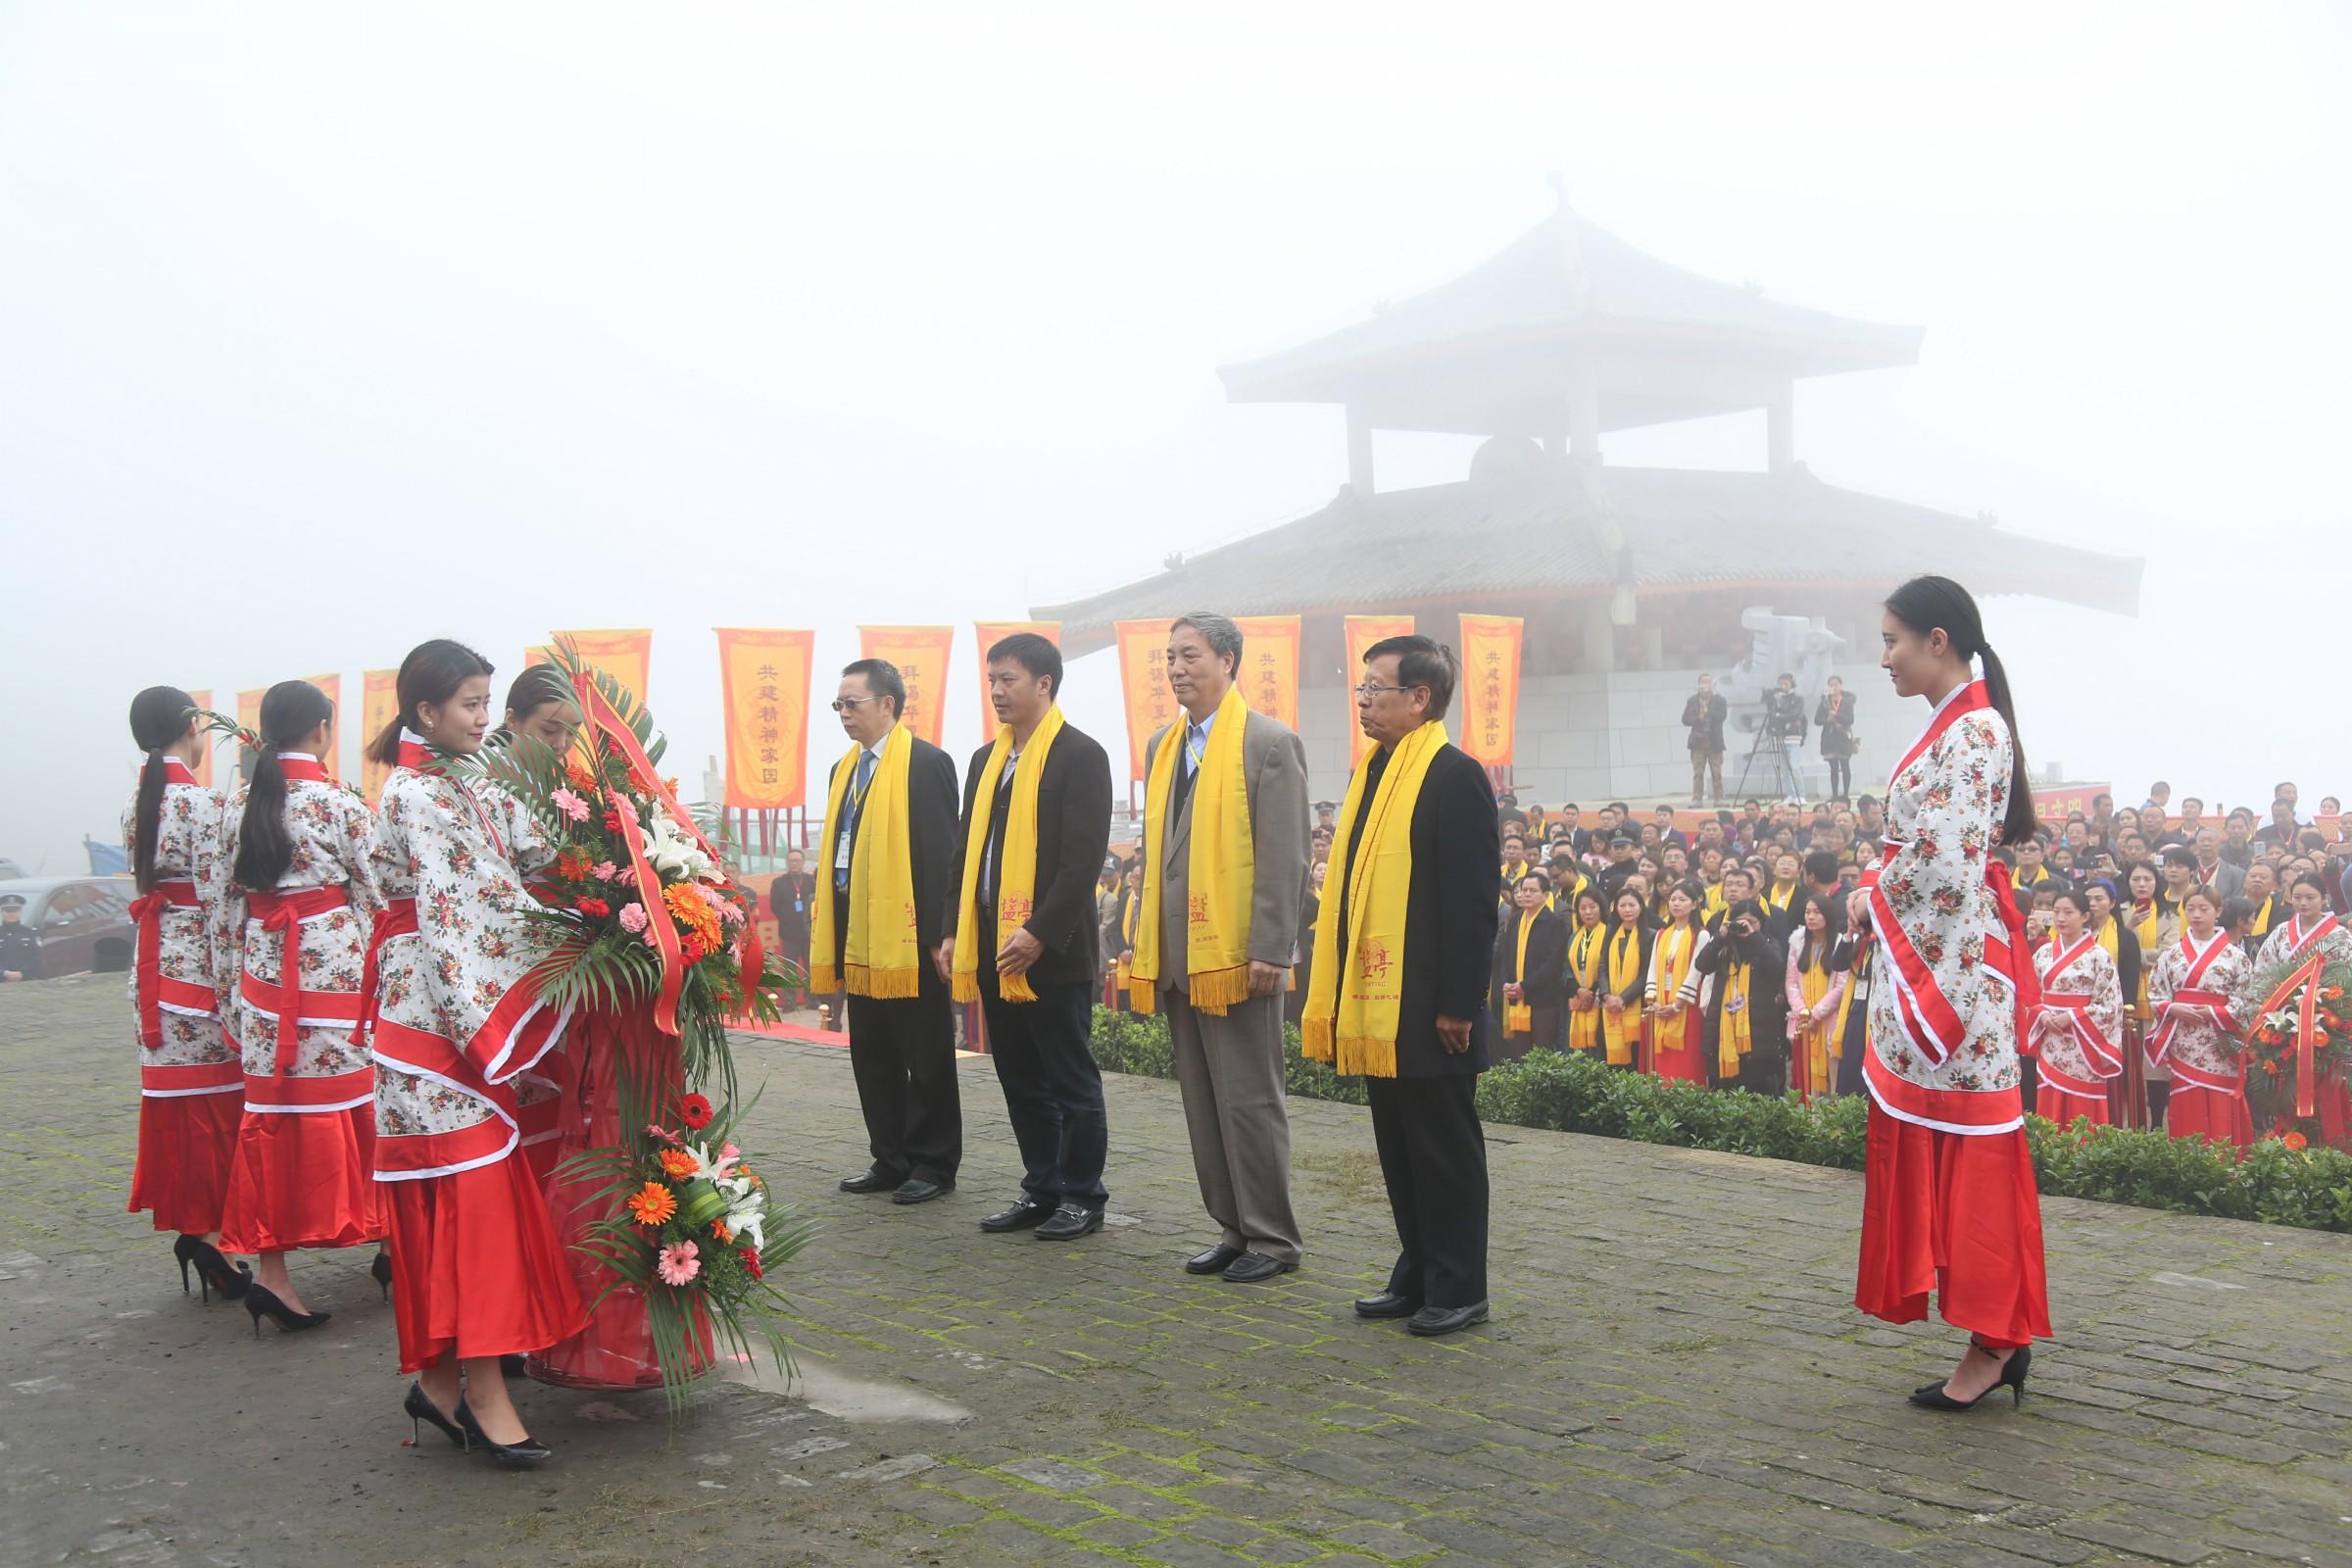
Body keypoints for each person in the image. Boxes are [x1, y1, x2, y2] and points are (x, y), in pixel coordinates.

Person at [365, 640, 583, 1467]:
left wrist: (623, 870)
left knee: (470, 1199)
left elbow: (539, 852)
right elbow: (475, 905)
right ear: (425, 712)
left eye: (487, 703)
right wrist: (561, 944)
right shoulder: (416, 794)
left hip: (464, 1001)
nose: (483, 719)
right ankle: (480, 1390)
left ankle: (445, 1385)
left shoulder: (472, 779)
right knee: (469, 1197)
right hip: (434, 1018)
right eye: (468, 705)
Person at [1849, 575, 2049, 1410]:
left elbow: (1944, 867)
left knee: (1976, 1156)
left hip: (1958, 975)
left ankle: (1998, 1339)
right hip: (1949, 957)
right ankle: (1991, 1334)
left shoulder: (1974, 734)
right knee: (1954, 1149)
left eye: (1894, 639)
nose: (1883, 655)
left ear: (1939, 641)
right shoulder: (1959, 724)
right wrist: (1884, 875)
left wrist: (1872, 891)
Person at [1301, 635, 1496, 1337]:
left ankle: (1460, 1286)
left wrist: (1457, 1002)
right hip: (1376, 1001)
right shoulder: (1373, 774)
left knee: (1443, 1149)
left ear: (1420, 698)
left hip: (1430, 1004)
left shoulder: (1454, 775)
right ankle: (1416, 1271)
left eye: (1375, 690)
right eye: (1360, 690)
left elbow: (1474, 902)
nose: (1363, 702)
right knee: (1400, 1146)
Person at [215, 679, 388, 1335]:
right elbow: (375, 895)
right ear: (321, 731)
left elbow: (220, 914)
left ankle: (274, 1277)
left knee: (270, 1120)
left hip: (263, 985)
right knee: (364, 1108)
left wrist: (235, 1002)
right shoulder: (339, 804)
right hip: (337, 984)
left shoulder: (234, 807)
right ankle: (391, 1246)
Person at [944, 632, 1117, 1244]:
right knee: (1019, 1076)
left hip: (1051, 952)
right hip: (993, 944)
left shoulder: (1080, 755)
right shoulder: (985, 760)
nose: (996, 691)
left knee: (1069, 1078)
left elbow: (1082, 862)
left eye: (1008, 679)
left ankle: (1082, 1194)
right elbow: (966, 852)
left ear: (1044, 683)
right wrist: (951, 931)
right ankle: (1041, 1184)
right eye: (991, 680)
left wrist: (1040, 933)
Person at [811, 659, 962, 1206]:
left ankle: (933, 1162)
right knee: (871, 1050)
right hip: (858, 932)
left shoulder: (926, 764)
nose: (844, 714)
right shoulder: (843, 771)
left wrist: (940, 933)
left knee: (924, 1052)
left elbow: (943, 854)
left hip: (909, 935)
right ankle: (890, 1155)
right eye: (839, 705)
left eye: (853, 703)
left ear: (888, 705)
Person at [122, 685, 247, 1300]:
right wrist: (238, 989)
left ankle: (202, 1231)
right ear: (193, 727)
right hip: (196, 974)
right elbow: (224, 906)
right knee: (217, 1112)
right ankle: (213, 1236)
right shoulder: (202, 804)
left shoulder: (137, 803)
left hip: (152, 973)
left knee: (183, 1111)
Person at [2236, 871, 2352, 1144]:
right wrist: (2266, 1016)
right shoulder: (2280, 934)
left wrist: (2333, 1015)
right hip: (2283, 1022)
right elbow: (2261, 975)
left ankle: (2330, 1145)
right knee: (2284, 1089)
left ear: (2324, 898)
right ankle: (2288, 1142)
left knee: (2326, 1088)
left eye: (2310, 897)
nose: (2303, 903)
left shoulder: (2340, 937)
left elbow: (2346, 980)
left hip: (2326, 1024)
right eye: (2297, 897)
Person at [2146, 885, 2252, 1148]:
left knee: (2220, 1100)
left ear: (2218, 911)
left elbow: (2249, 999)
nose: (2196, 915)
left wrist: (2216, 1012)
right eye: (2190, 908)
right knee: (2186, 1099)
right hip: (2183, 1038)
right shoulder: (2171, 955)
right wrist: (2172, 1009)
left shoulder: (2236, 957)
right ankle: (2187, 1162)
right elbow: (2156, 992)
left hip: (2220, 1041)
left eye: (2204, 909)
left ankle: (2225, 1161)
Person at [2032, 887, 2125, 1128]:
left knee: (2082, 1104)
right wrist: (2041, 1013)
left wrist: (2073, 1016)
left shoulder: (2099, 956)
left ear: (2085, 916)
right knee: (2049, 1095)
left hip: (2084, 1040)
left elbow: (2110, 1003)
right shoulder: (2043, 954)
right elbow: (2030, 993)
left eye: (2068, 912)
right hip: (2050, 1036)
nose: (2061, 918)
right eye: (2056, 912)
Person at [1785, 893, 1852, 1103]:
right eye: (1807, 912)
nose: (1811, 917)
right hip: (1804, 1021)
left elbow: (1842, 986)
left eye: (1817, 912)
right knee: (1805, 1078)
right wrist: (1803, 1012)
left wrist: (1816, 1014)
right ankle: (1810, 1123)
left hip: (1830, 1021)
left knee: (1833, 1078)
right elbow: (1791, 982)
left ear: (1828, 916)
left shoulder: (1841, 944)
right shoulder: (1797, 943)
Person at [1492, 873, 1566, 1063]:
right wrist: (1508, 983)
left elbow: (1552, 964)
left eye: (1532, 891)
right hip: (1517, 997)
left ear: (1546, 895)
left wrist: (1524, 985)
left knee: (1541, 1055)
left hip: (1542, 1000)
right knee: (1520, 1054)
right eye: (1524, 890)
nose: (1526, 894)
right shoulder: (1515, 920)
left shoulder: (1554, 923)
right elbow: (1506, 956)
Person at [1642, 882, 1706, 1083]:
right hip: (1662, 1006)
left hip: (1688, 1007)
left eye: (1682, 899)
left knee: (1687, 1062)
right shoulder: (1662, 934)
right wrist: (1653, 1000)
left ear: (1695, 904)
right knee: (1662, 1064)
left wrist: (1677, 1005)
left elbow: (1696, 972)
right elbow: (1652, 968)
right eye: (1673, 899)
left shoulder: (1701, 934)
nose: (1676, 904)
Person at [1561, 888, 1608, 1058]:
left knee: (1598, 1048)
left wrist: (1592, 992)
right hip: (1578, 997)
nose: (1588, 912)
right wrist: (1578, 991)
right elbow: (1566, 968)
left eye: (1592, 907)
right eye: (1583, 908)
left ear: (1601, 908)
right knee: (1577, 1052)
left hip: (1601, 998)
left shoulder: (1609, 933)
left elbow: (1607, 967)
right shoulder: (1574, 937)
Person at [767, 848, 815, 1008]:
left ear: (803, 862)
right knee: (790, 969)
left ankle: (812, 999)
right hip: (789, 932)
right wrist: (788, 919)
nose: (794, 863)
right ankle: (789, 1001)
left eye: (798, 860)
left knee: (811, 968)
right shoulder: (779, 883)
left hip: (809, 933)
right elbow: (774, 906)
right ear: (788, 863)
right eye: (792, 860)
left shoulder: (811, 881)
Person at [1682, 673, 1729, 806]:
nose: (1705, 685)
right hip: (1697, 742)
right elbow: (1685, 720)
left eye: (1708, 682)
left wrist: (1708, 712)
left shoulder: (1719, 700)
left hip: (1714, 741)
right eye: (1703, 682)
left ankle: (1719, 798)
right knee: (1698, 772)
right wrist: (1699, 718)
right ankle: (1697, 798)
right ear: (1698, 684)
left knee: (1716, 771)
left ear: (1712, 685)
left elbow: (1721, 717)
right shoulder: (1692, 701)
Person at [1764, 672, 1808, 805]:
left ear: (1791, 684)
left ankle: (1801, 795)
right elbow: (1772, 716)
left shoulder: (1798, 699)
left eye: (1786, 683)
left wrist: (1779, 715)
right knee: (1784, 769)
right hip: (1781, 737)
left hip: (1794, 737)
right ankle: (1790, 794)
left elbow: (1795, 715)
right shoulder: (1777, 700)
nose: (1783, 686)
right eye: (1781, 683)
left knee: (1794, 767)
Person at [1815, 676, 1857, 802]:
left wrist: (1837, 716)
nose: (1833, 687)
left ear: (1841, 686)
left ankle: (1845, 794)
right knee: (1833, 768)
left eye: (1836, 684)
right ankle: (1834, 794)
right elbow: (1817, 720)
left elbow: (1850, 720)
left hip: (1843, 737)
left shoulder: (1847, 701)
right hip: (1830, 738)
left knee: (1845, 766)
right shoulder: (1825, 702)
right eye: (1831, 685)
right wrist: (1827, 720)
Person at [0, 891, 42, 981]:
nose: (11, 914)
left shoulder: (30, 933)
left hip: (26, 981)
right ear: (1, 912)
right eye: (8, 911)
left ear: (20, 912)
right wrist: (4, 973)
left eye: (15, 911)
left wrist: (22, 974)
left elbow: (36, 958)